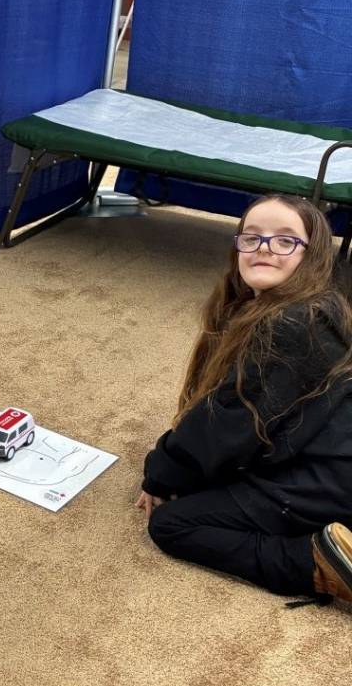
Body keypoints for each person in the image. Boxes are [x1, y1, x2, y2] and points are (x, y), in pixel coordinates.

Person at [137, 193, 352, 605]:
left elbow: (225, 423)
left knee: (172, 524)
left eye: (285, 240)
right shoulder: (307, 308)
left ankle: (315, 563)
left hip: (331, 478)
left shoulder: (291, 325)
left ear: (314, 254)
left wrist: (160, 474)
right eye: (251, 237)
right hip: (324, 456)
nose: (264, 247)